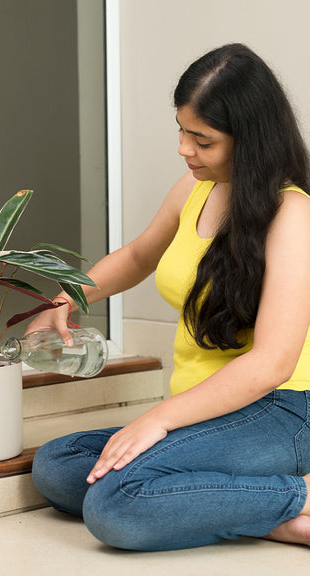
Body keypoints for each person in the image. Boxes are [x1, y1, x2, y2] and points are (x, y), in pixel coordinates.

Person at [26, 43, 310, 551]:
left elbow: (272, 364)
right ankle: (274, 514)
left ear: (251, 141)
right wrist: (64, 301)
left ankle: (295, 496)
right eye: (181, 130)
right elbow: (137, 257)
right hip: (203, 410)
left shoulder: (293, 215)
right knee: (59, 465)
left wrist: (156, 418)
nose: (184, 149)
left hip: (285, 410)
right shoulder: (195, 188)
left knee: (116, 504)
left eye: (202, 139)